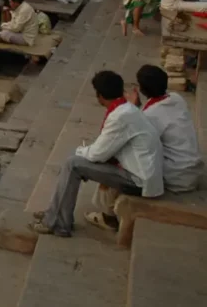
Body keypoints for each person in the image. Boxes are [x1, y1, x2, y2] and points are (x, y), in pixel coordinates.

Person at [31, 71, 162, 237]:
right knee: (77, 160)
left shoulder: (120, 116)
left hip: (138, 181)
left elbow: (97, 154)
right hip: (142, 173)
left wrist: (80, 151)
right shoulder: (126, 109)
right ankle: (55, 212)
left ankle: (59, 223)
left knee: (73, 164)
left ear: (99, 96)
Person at [134, 65, 203, 192]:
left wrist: (133, 108)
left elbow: (139, 139)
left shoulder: (150, 115)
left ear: (142, 89)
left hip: (175, 176)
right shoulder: (177, 98)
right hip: (193, 170)